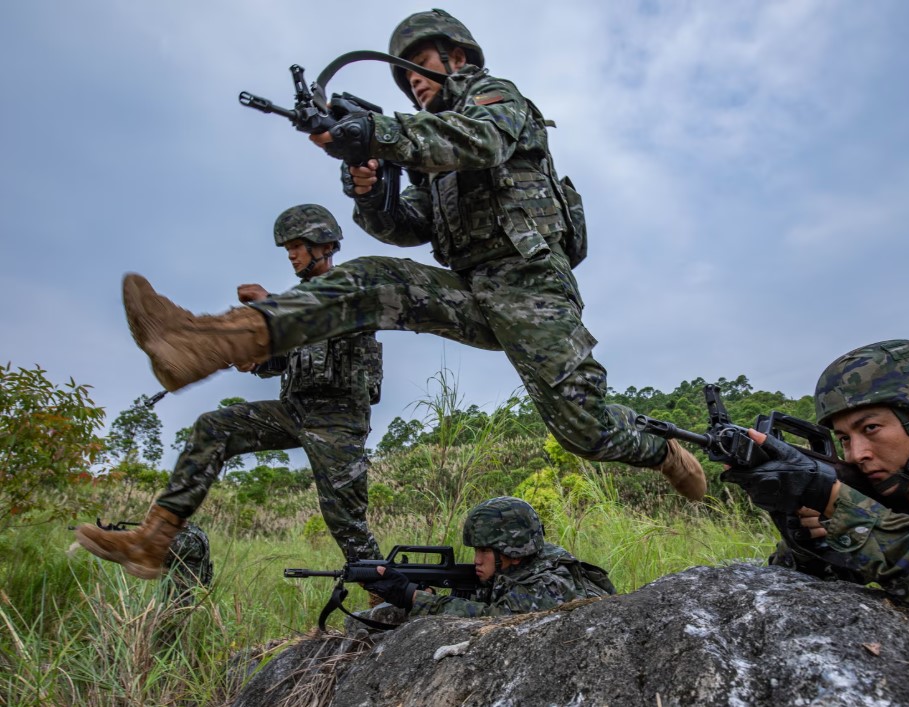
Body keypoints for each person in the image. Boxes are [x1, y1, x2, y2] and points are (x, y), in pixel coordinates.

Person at [115, 9, 706, 524]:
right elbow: (404, 228)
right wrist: (368, 187)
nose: (414, 82)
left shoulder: (497, 98)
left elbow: (479, 142)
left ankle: (664, 449)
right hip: (471, 290)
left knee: (587, 432)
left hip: (530, 286)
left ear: (458, 57)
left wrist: (378, 131)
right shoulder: (428, 152)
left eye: (422, 66)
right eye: (406, 76)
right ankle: (203, 341)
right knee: (372, 279)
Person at [76, 205, 385, 577]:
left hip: (339, 421)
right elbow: (288, 359)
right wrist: (256, 361)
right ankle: (152, 540)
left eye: (298, 245)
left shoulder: (350, 289)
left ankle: (390, 597)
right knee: (214, 427)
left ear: (325, 245)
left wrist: (270, 306)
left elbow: (335, 324)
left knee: (347, 526)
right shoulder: (298, 299)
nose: (291, 254)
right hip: (296, 410)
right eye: (288, 247)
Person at [724, 339, 909, 617]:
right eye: (844, 438)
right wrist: (806, 540)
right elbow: (802, 586)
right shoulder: (877, 491)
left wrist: (840, 504)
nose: (856, 455)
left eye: (871, 428)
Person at [363, 496, 615, 618]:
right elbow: (484, 599)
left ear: (513, 553)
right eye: (476, 550)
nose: (476, 560)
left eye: (484, 551)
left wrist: (418, 600)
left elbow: (495, 621)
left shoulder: (548, 584)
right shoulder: (512, 566)